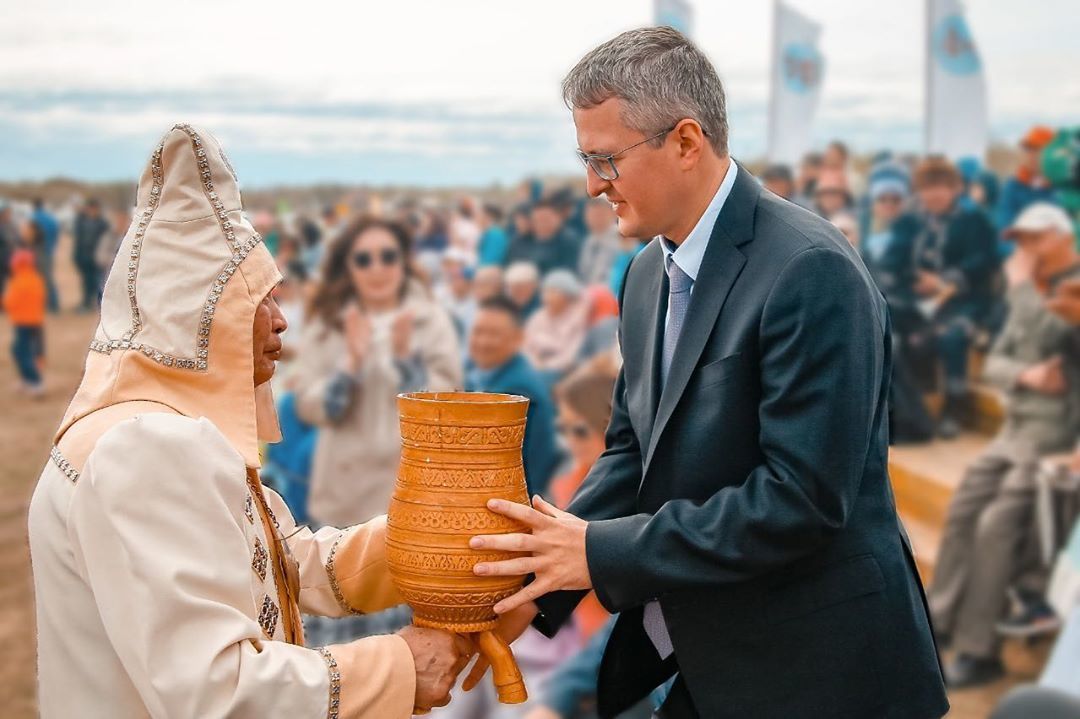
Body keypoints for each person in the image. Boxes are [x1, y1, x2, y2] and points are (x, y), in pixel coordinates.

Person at [463, 27, 948, 719]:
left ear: (686, 141)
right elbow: (634, 454)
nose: (592, 184)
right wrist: (542, 581)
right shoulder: (647, 271)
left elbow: (802, 499)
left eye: (606, 159)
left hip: (821, 672)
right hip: (712, 656)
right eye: (586, 158)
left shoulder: (809, 269)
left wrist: (600, 552)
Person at [27, 124, 470, 718]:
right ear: (198, 321)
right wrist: (396, 669)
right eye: (258, 301)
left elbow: (286, 565)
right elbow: (213, 690)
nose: (281, 321)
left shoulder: (168, 429)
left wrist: (436, 542)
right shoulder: (146, 447)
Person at [928, 202, 1080, 688]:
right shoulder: (1028, 294)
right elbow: (996, 364)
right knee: (964, 507)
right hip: (1017, 429)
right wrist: (1029, 374)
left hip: (1056, 433)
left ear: (1062, 237)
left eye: (1036, 238)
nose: (1026, 249)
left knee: (997, 525)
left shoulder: (1066, 289)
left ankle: (979, 648)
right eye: (1021, 240)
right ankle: (937, 623)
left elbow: (1056, 347)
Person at [294, 216, 462, 529]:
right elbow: (310, 406)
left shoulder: (431, 319)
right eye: (363, 259)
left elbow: (447, 408)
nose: (377, 269)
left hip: (413, 493)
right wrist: (350, 367)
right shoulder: (327, 323)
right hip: (342, 498)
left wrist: (406, 362)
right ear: (348, 267)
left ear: (403, 261)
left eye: (388, 256)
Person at [887, 156, 1003, 437]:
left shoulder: (975, 221)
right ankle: (900, 407)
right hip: (916, 302)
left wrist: (944, 281)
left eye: (942, 187)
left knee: (952, 335)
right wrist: (916, 280)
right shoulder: (909, 223)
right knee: (885, 321)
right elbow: (893, 261)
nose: (934, 194)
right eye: (927, 187)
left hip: (964, 300)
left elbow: (984, 259)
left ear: (955, 189)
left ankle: (955, 406)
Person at [464, 296, 558, 497]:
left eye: (493, 334)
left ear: (518, 338)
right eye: (477, 332)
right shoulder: (476, 375)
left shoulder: (518, 391)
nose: (482, 341)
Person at [523, 270, 589, 383]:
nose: (548, 296)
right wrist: (534, 365)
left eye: (554, 292)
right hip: (533, 369)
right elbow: (525, 346)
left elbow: (571, 355)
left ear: (567, 296)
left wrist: (546, 367)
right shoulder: (537, 317)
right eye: (546, 292)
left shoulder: (577, 319)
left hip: (561, 374)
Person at [997, 125, 1060, 233]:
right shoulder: (1012, 187)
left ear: (1052, 154)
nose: (1031, 155)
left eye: (1038, 150)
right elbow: (1004, 229)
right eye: (1028, 149)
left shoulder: (1063, 188)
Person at [3, 248, 46, 396]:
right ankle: (27, 379)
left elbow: (10, 303)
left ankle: (35, 381)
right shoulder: (36, 279)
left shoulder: (18, 281)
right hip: (35, 321)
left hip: (23, 323)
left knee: (22, 352)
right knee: (24, 351)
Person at [506, 200, 581, 276]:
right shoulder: (527, 240)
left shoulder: (568, 240)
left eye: (545, 219)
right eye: (537, 220)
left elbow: (568, 273)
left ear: (558, 218)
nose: (541, 224)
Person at [73, 198, 111, 312]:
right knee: (85, 281)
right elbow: (78, 240)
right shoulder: (82, 222)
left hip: (97, 258)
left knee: (97, 281)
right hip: (84, 257)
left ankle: (97, 304)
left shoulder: (103, 223)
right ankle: (86, 303)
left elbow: (105, 242)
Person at [577, 198, 622, 286]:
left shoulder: (622, 238)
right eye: (591, 214)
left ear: (613, 214)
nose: (595, 219)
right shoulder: (589, 241)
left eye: (600, 214)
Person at [31, 198, 60, 312]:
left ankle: (46, 304)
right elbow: (56, 234)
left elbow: (31, 236)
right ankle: (53, 304)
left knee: (38, 279)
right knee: (48, 278)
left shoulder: (34, 219)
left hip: (37, 252)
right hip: (48, 251)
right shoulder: (51, 219)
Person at [0, 201, 18, 306]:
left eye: (9, 212)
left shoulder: (12, 225)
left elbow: (17, 239)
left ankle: (13, 302)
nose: (8, 215)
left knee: (14, 281)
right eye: (6, 212)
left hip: (12, 258)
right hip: (1, 258)